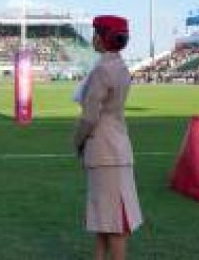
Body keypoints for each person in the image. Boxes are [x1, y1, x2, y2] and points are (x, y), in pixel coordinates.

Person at [73, 15, 142, 260]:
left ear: (103, 39)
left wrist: (77, 140)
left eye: (96, 33)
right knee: (106, 222)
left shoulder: (103, 70)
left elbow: (90, 116)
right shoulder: (120, 67)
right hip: (117, 147)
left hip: (103, 151)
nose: (93, 37)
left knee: (112, 225)